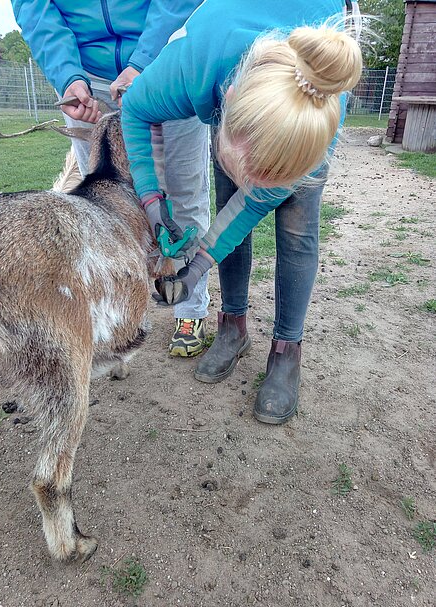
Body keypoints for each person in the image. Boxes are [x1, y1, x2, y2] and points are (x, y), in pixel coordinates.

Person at [121, 0, 363, 424]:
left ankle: (287, 349)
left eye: (271, 177)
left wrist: (195, 267)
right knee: (229, 194)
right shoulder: (195, 61)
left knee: (297, 231)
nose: (256, 189)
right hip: (231, 71)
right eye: (253, 173)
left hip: (293, 118)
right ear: (227, 104)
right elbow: (135, 109)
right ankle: (232, 326)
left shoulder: (321, 109)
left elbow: (249, 207)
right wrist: (151, 201)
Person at [12, 0, 211, 358]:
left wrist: (143, 61)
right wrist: (68, 75)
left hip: (168, 64)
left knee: (184, 193)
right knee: (99, 208)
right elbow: (35, 8)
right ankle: (112, 312)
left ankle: (188, 308)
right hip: (89, 81)